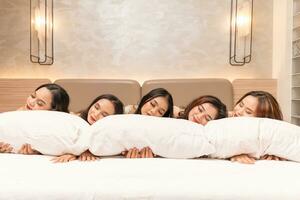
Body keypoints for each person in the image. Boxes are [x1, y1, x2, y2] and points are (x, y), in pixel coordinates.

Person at [52, 94, 124, 163]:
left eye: (104, 115)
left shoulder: (111, 134)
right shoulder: (74, 120)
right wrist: (74, 152)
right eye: (96, 107)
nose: (96, 114)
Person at [0, 83, 70, 154]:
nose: (31, 102)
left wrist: (39, 152)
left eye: (39, 103)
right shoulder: (14, 116)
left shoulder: (55, 129)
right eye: (33, 96)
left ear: (52, 111)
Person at [228, 91, 284, 164]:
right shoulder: (220, 118)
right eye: (241, 105)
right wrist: (231, 153)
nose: (239, 111)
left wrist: (274, 152)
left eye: (248, 112)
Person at [125, 88, 174, 158]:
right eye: (152, 104)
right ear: (145, 99)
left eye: (160, 112)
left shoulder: (163, 130)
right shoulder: (126, 112)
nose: (153, 111)